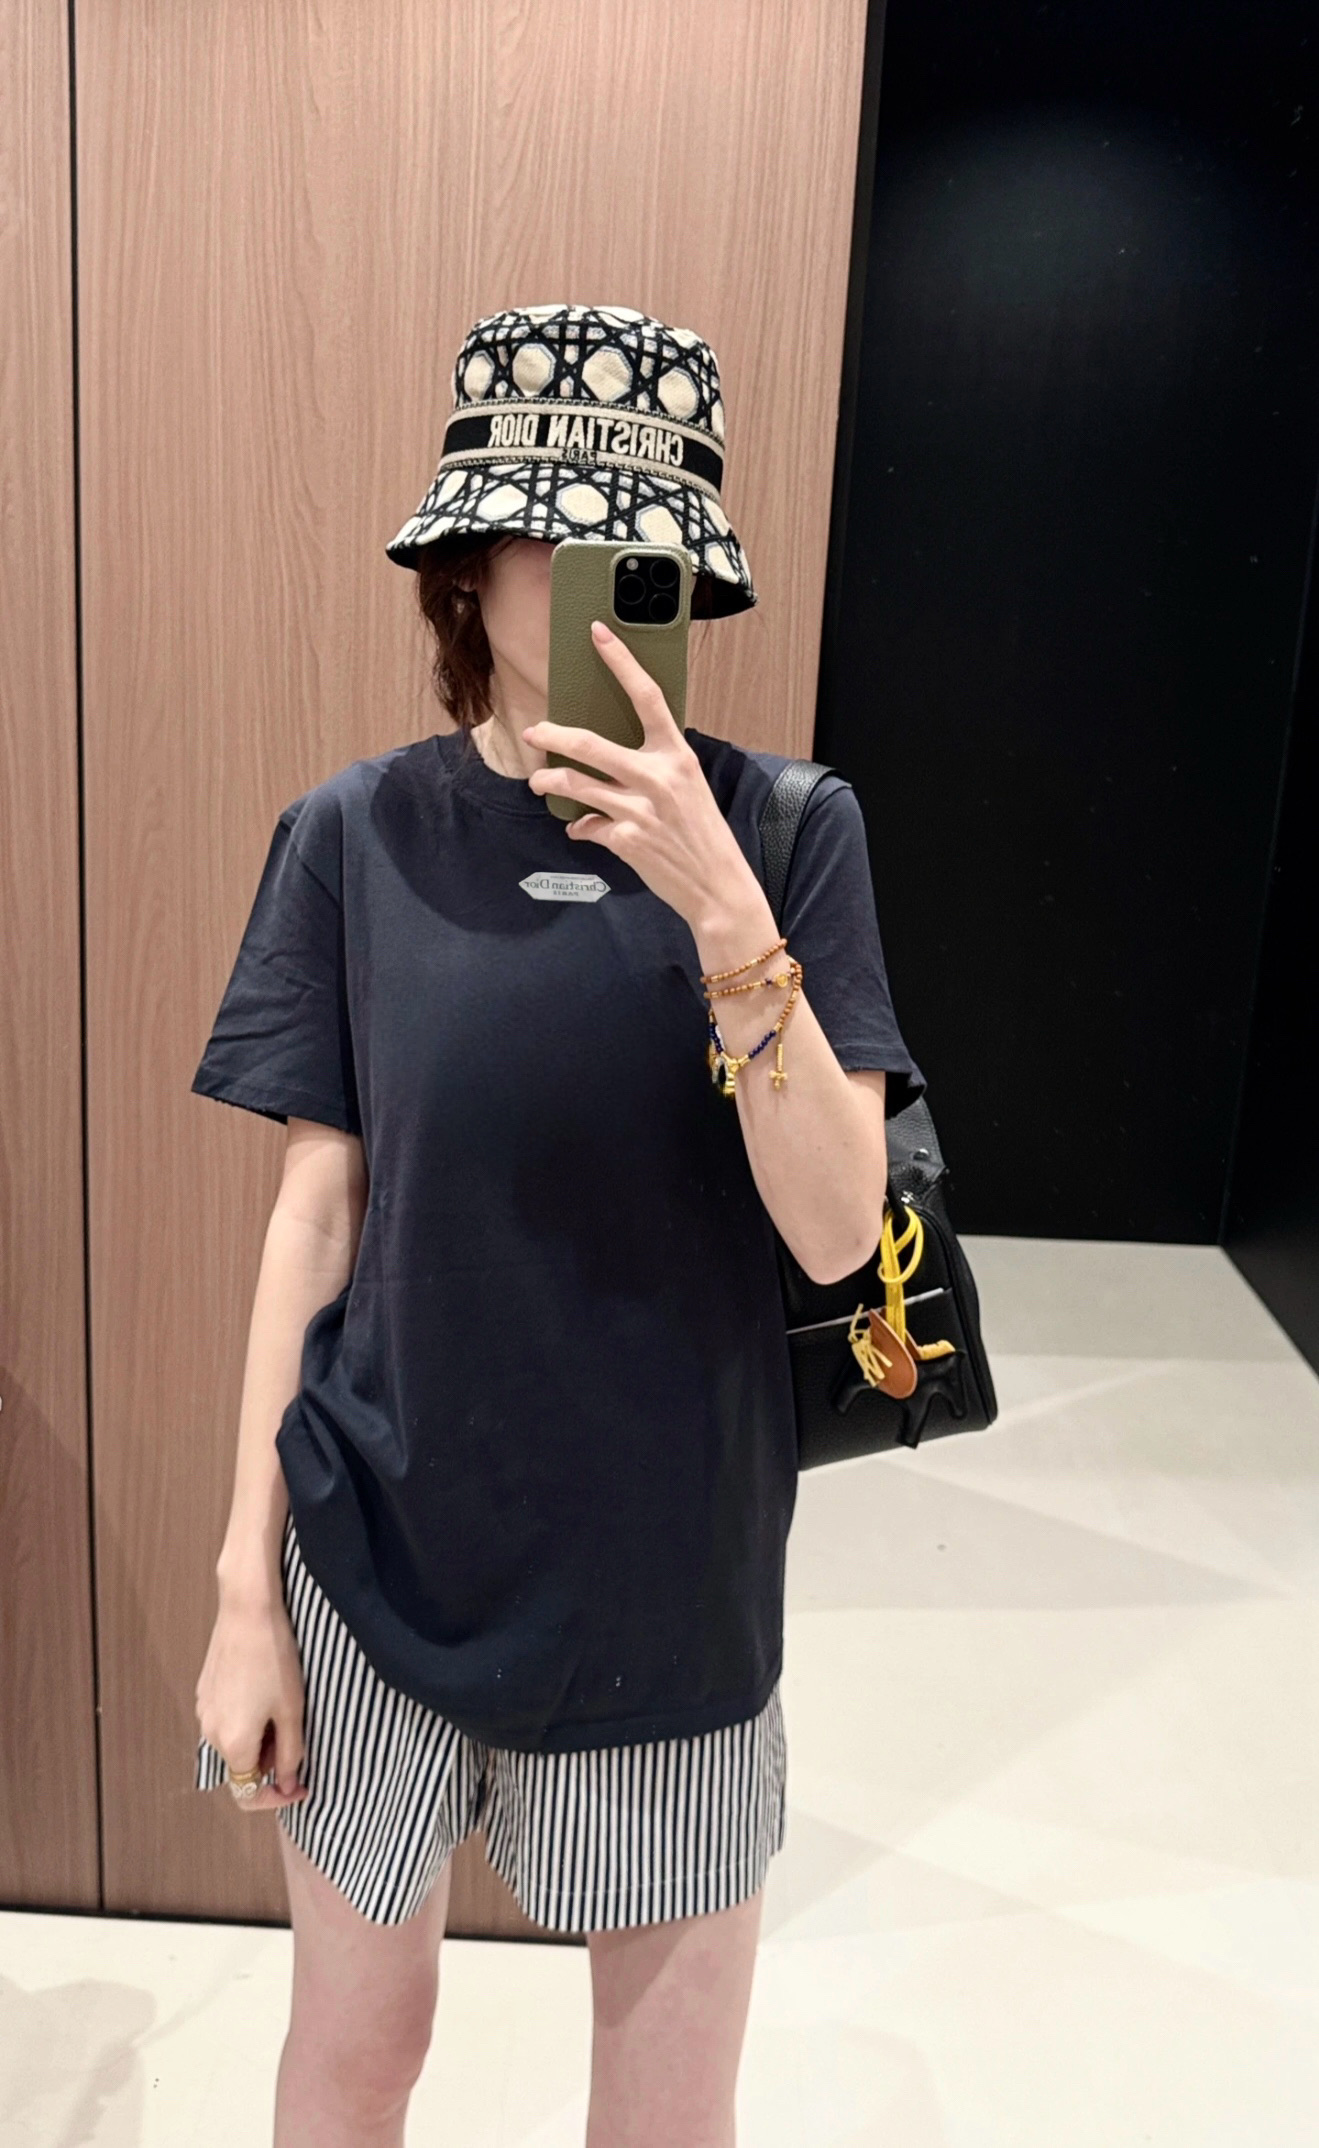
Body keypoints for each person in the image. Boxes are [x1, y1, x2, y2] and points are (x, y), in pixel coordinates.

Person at [191, 303, 923, 2147]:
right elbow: (316, 1221)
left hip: (671, 1582)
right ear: (468, 558)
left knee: (666, 2107)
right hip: (377, 1546)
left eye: (646, 535)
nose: (609, 565)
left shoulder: (788, 831)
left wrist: (722, 910)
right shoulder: (355, 836)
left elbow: (837, 1237)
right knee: (354, 2053)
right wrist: (243, 1593)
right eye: (562, 525)